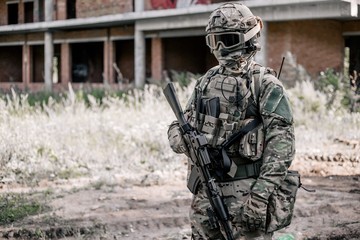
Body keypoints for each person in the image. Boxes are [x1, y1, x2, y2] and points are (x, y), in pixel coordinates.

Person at [167, 2, 296, 239]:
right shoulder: (206, 81)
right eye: (213, 40)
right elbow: (180, 122)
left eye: (226, 39)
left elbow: (282, 151)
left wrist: (259, 198)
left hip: (247, 194)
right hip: (206, 193)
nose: (218, 48)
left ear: (246, 38)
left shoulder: (265, 85)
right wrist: (180, 140)